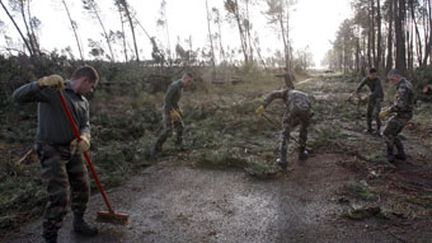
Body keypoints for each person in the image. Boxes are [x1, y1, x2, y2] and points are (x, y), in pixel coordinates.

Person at [12, 66, 100, 243]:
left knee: (83, 187)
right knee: (59, 196)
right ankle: (50, 236)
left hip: (73, 149)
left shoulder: (83, 101)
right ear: (85, 81)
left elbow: (85, 124)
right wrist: (40, 83)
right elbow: (17, 97)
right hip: (51, 149)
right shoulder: (52, 91)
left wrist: (85, 137)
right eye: (91, 86)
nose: (90, 91)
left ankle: (79, 222)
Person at [256, 88, 312, 170]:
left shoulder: (286, 92)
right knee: (304, 130)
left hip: (293, 108)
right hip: (306, 109)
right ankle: (302, 152)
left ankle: (283, 160)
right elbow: (309, 109)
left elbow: (273, 94)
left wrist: (263, 106)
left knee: (285, 133)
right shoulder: (304, 94)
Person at [151, 72, 193, 157]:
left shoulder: (180, 87)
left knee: (180, 127)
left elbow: (174, 101)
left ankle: (178, 145)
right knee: (168, 131)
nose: (189, 84)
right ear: (184, 78)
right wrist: (171, 112)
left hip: (174, 109)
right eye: (188, 81)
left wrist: (178, 110)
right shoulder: (175, 86)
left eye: (190, 82)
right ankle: (156, 149)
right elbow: (167, 100)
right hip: (167, 110)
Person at [379, 69, 415, 163]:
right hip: (404, 114)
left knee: (387, 132)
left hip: (403, 115)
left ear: (397, 77)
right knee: (394, 133)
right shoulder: (405, 83)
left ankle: (390, 154)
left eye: (392, 80)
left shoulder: (403, 87)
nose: (391, 82)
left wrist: (387, 111)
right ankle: (401, 153)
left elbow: (401, 105)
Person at [355, 67, 384, 134]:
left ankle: (378, 130)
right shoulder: (366, 79)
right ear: (369, 74)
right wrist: (356, 93)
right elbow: (360, 86)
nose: (374, 76)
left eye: (375, 74)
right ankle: (369, 129)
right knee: (368, 113)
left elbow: (377, 91)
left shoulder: (377, 80)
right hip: (371, 97)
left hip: (378, 97)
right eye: (372, 75)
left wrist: (367, 97)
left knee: (376, 114)